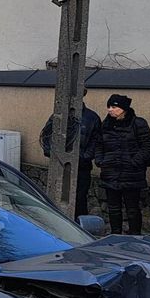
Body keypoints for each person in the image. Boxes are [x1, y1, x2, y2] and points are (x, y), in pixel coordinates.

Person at [94, 94, 150, 235]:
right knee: (113, 208)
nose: (110, 110)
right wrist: (100, 161)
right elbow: (98, 144)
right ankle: (116, 234)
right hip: (110, 173)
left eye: (114, 107)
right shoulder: (106, 124)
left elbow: (148, 146)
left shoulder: (138, 123)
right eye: (109, 106)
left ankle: (135, 236)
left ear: (123, 109)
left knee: (132, 208)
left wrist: (135, 162)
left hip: (131, 174)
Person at [40, 90, 101, 218]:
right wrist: (52, 153)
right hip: (60, 165)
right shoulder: (58, 116)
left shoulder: (91, 118)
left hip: (82, 167)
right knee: (58, 198)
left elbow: (97, 141)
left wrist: (84, 156)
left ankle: (80, 227)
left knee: (80, 199)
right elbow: (46, 135)